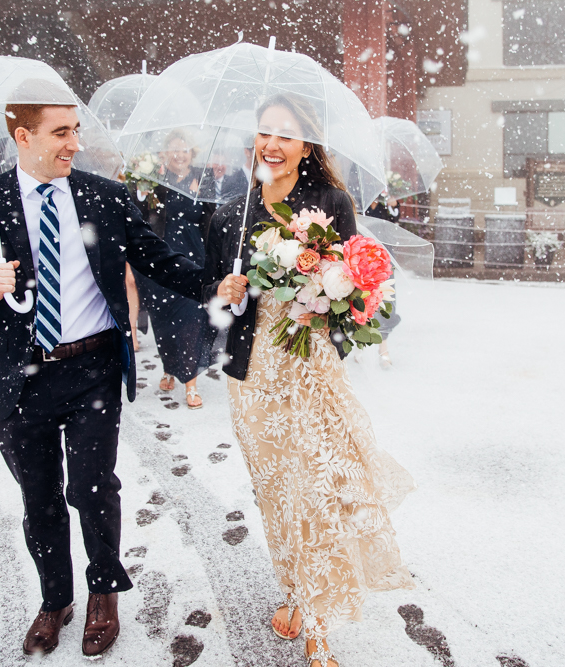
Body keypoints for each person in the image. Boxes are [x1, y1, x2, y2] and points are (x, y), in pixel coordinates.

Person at [0, 96, 203, 658]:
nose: (74, 143)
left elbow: (157, 257)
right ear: (23, 137)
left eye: (76, 130)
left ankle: (104, 591)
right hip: (20, 378)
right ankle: (55, 598)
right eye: (61, 132)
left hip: (93, 370)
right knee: (39, 499)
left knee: (92, 488)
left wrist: (212, 288)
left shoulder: (103, 196)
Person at [205, 94, 415, 667]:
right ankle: (295, 592)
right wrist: (227, 295)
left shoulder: (330, 201)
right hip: (253, 377)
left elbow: (359, 287)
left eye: (285, 134)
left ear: (306, 143)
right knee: (275, 492)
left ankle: (318, 619)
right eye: (264, 132)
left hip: (309, 366)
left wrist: (323, 293)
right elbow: (217, 308)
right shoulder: (232, 214)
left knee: (314, 489)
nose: (271, 144)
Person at [133, 129, 217, 409]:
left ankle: (190, 382)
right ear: (164, 154)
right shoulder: (154, 182)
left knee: (191, 321)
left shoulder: (203, 180)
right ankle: (169, 367)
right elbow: (141, 217)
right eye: (173, 149)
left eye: (184, 149)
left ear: (192, 153)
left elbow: (212, 221)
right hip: (162, 262)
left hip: (194, 261)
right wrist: (141, 191)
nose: (179, 154)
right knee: (164, 321)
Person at [363, 196, 403, 368]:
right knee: (364, 301)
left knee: (386, 300)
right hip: (362, 259)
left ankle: (383, 348)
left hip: (385, 258)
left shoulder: (384, 205)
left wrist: (393, 206)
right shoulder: (356, 204)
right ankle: (360, 345)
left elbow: (394, 220)